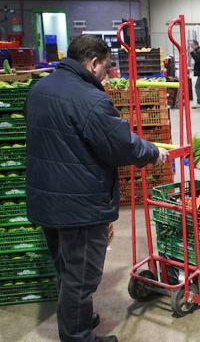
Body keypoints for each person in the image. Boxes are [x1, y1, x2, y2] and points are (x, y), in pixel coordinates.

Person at [26, 35, 168, 342]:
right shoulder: (90, 99)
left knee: (66, 268)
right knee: (82, 277)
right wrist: (153, 152)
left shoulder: (39, 90)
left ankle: (76, 317)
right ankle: (78, 336)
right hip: (80, 205)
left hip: (47, 199)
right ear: (93, 62)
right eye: (105, 66)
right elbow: (120, 145)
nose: (106, 73)